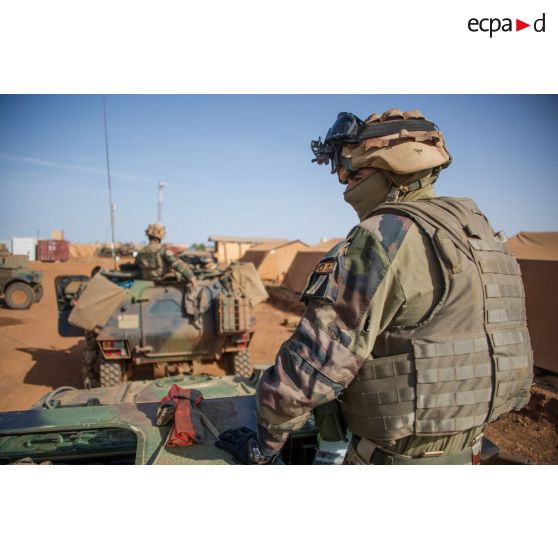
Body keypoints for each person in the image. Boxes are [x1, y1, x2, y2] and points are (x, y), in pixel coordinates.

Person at [216, 108, 533, 465]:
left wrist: (264, 444)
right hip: (471, 450)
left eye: (350, 169)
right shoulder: (480, 232)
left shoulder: (384, 236)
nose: (344, 180)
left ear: (388, 162)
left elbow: (311, 367)